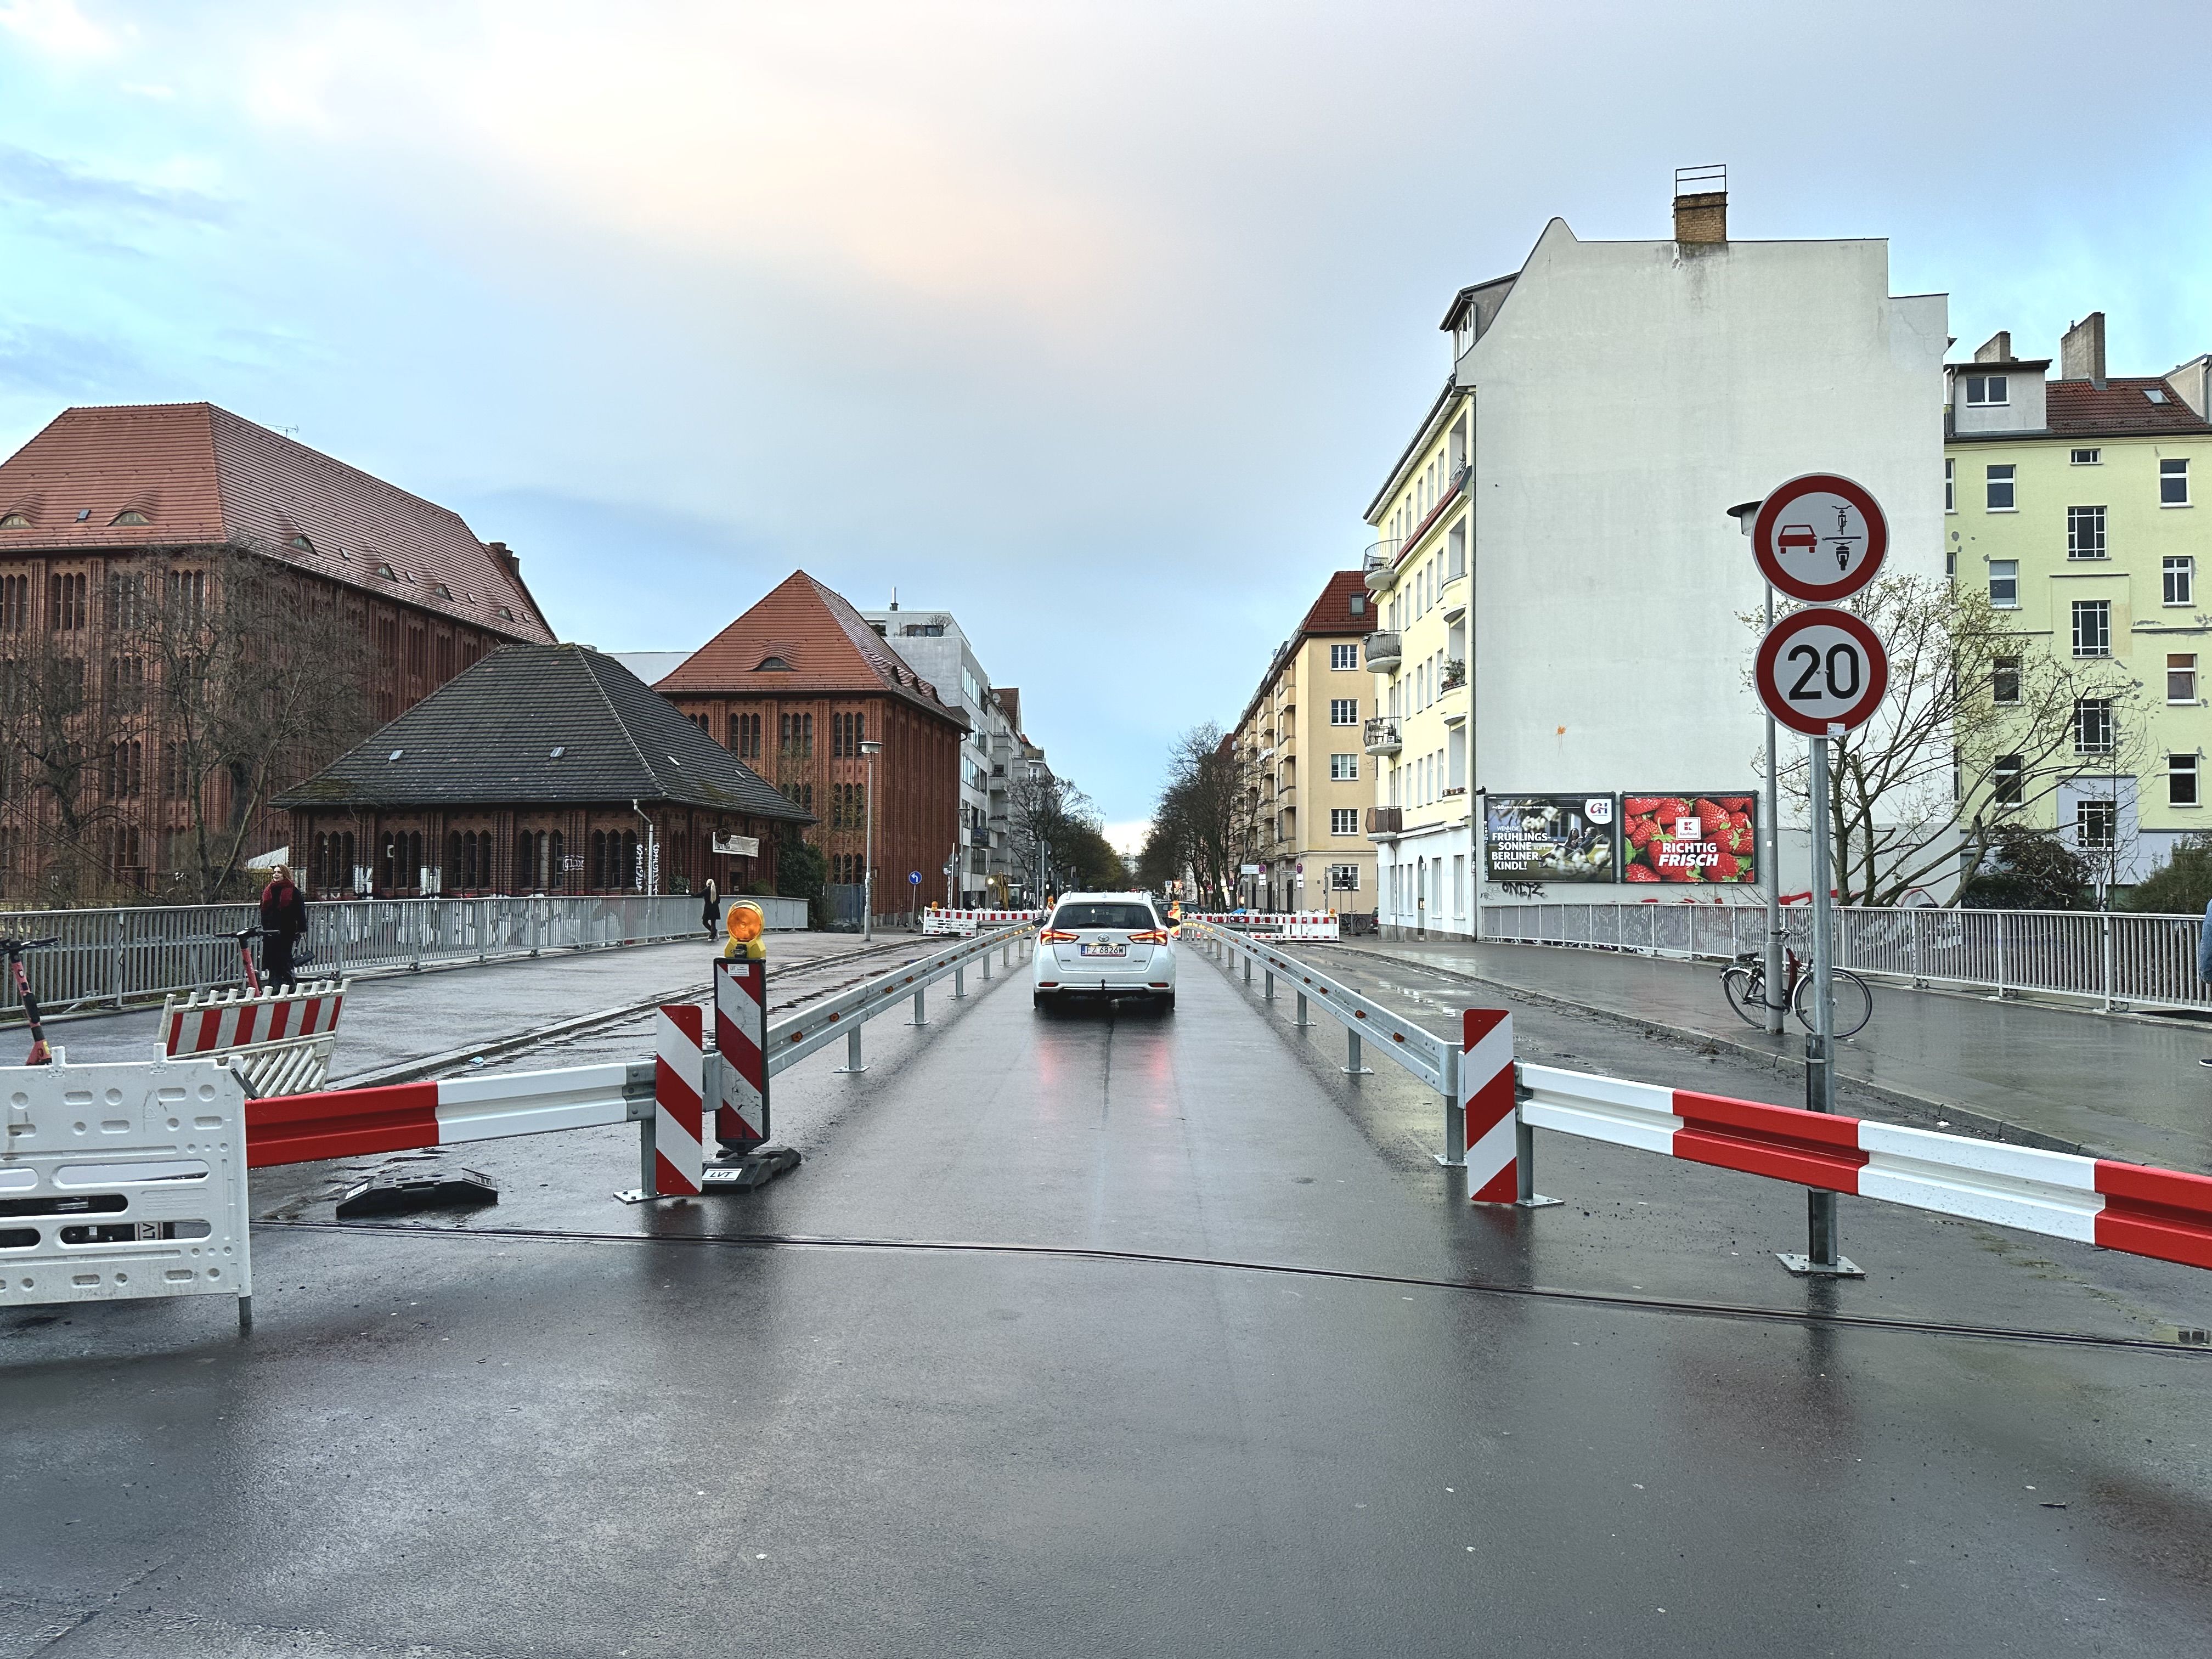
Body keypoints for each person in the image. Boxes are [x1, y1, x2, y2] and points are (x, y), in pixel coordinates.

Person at [258, 863, 308, 991]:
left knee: (284, 956)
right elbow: (263, 909)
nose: (276, 875)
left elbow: (300, 910)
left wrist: (302, 929)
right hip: (270, 929)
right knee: (271, 956)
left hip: (286, 929)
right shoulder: (268, 890)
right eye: (275, 872)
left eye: (279, 872)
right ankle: (274, 984)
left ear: (285, 874)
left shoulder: (292, 891)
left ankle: (289, 982)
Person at [701, 877, 721, 941]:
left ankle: (713, 934)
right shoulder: (715, 890)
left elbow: (698, 895)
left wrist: (690, 892)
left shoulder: (706, 890)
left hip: (708, 909)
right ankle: (714, 933)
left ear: (707, 884)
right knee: (713, 922)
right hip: (715, 908)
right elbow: (719, 900)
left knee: (705, 922)